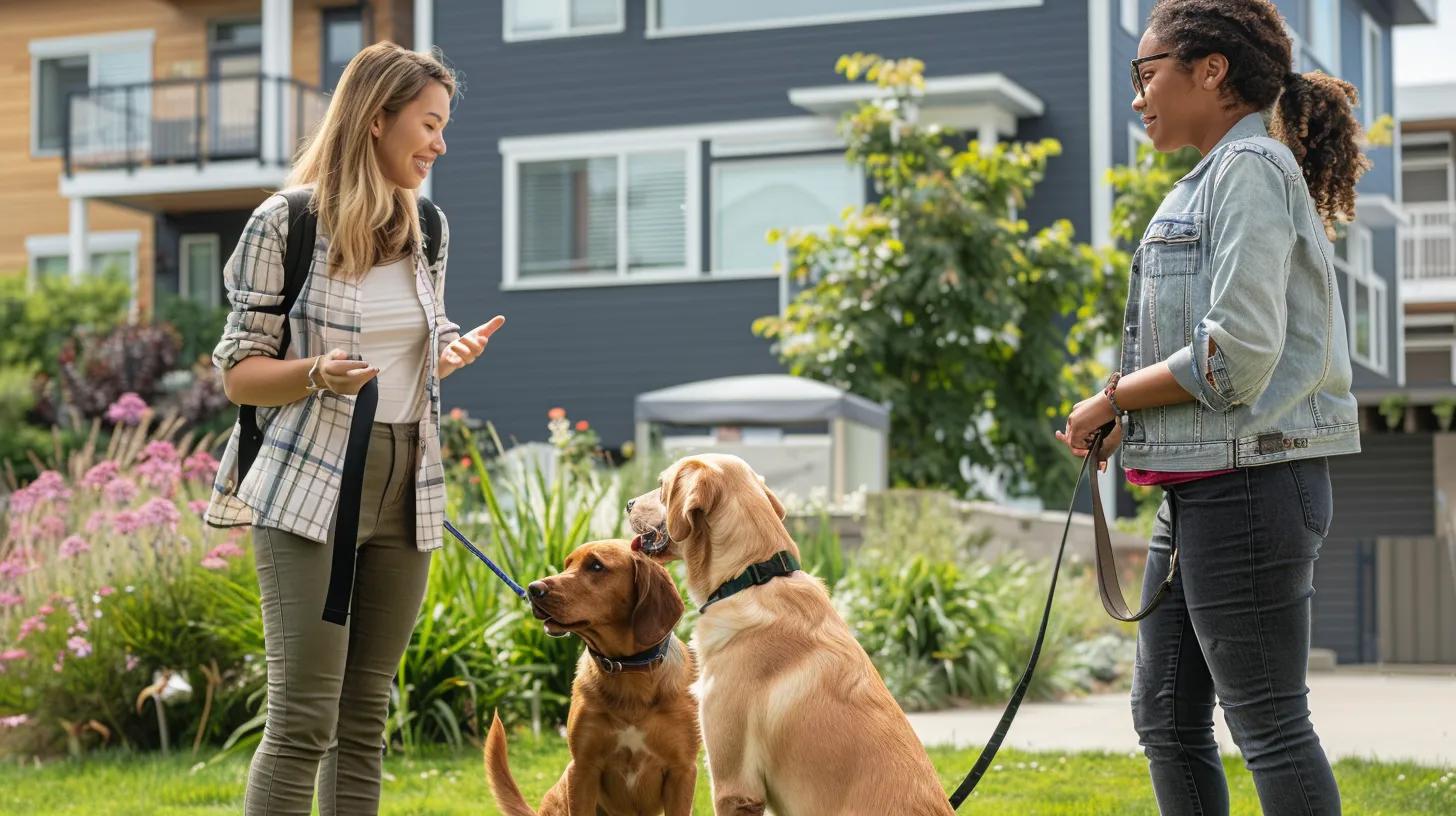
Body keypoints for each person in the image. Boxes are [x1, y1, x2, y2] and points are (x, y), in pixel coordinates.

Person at [1057, 1, 1371, 813]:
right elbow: (1219, 365)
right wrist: (1134, 416)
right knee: (1163, 716)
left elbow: (1236, 353)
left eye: (1146, 73)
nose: (1137, 96)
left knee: (1266, 722)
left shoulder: (1250, 173)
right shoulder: (1216, 179)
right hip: (1204, 482)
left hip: (1252, 485)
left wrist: (1113, 396)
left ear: (1211, 70)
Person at [204, 42, 503, 815]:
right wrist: (315, 373)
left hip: (408, 481)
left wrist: (447, 354)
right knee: (304, 716)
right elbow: (238, 372)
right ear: (377, 119)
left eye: (444, 127)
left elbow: (407, 358)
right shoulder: (288, 222)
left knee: (365, 717)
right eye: (429, 124)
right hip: (312, 480)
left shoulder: (428, 228)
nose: (440, 143)